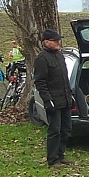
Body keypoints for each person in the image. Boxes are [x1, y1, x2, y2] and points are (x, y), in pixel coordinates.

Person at [34, 29, 74, 168]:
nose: (58, 43)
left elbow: (65, 79)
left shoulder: (60, 56)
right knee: (54, 131)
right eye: (55, 40)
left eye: (58, 40)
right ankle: (52, 159)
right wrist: (47, 100)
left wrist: (70, 95)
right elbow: (40, 82)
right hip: (53, 101)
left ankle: (60, 155)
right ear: (46, 42)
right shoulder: (42, 58)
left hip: (65, 99)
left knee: (66, 129)